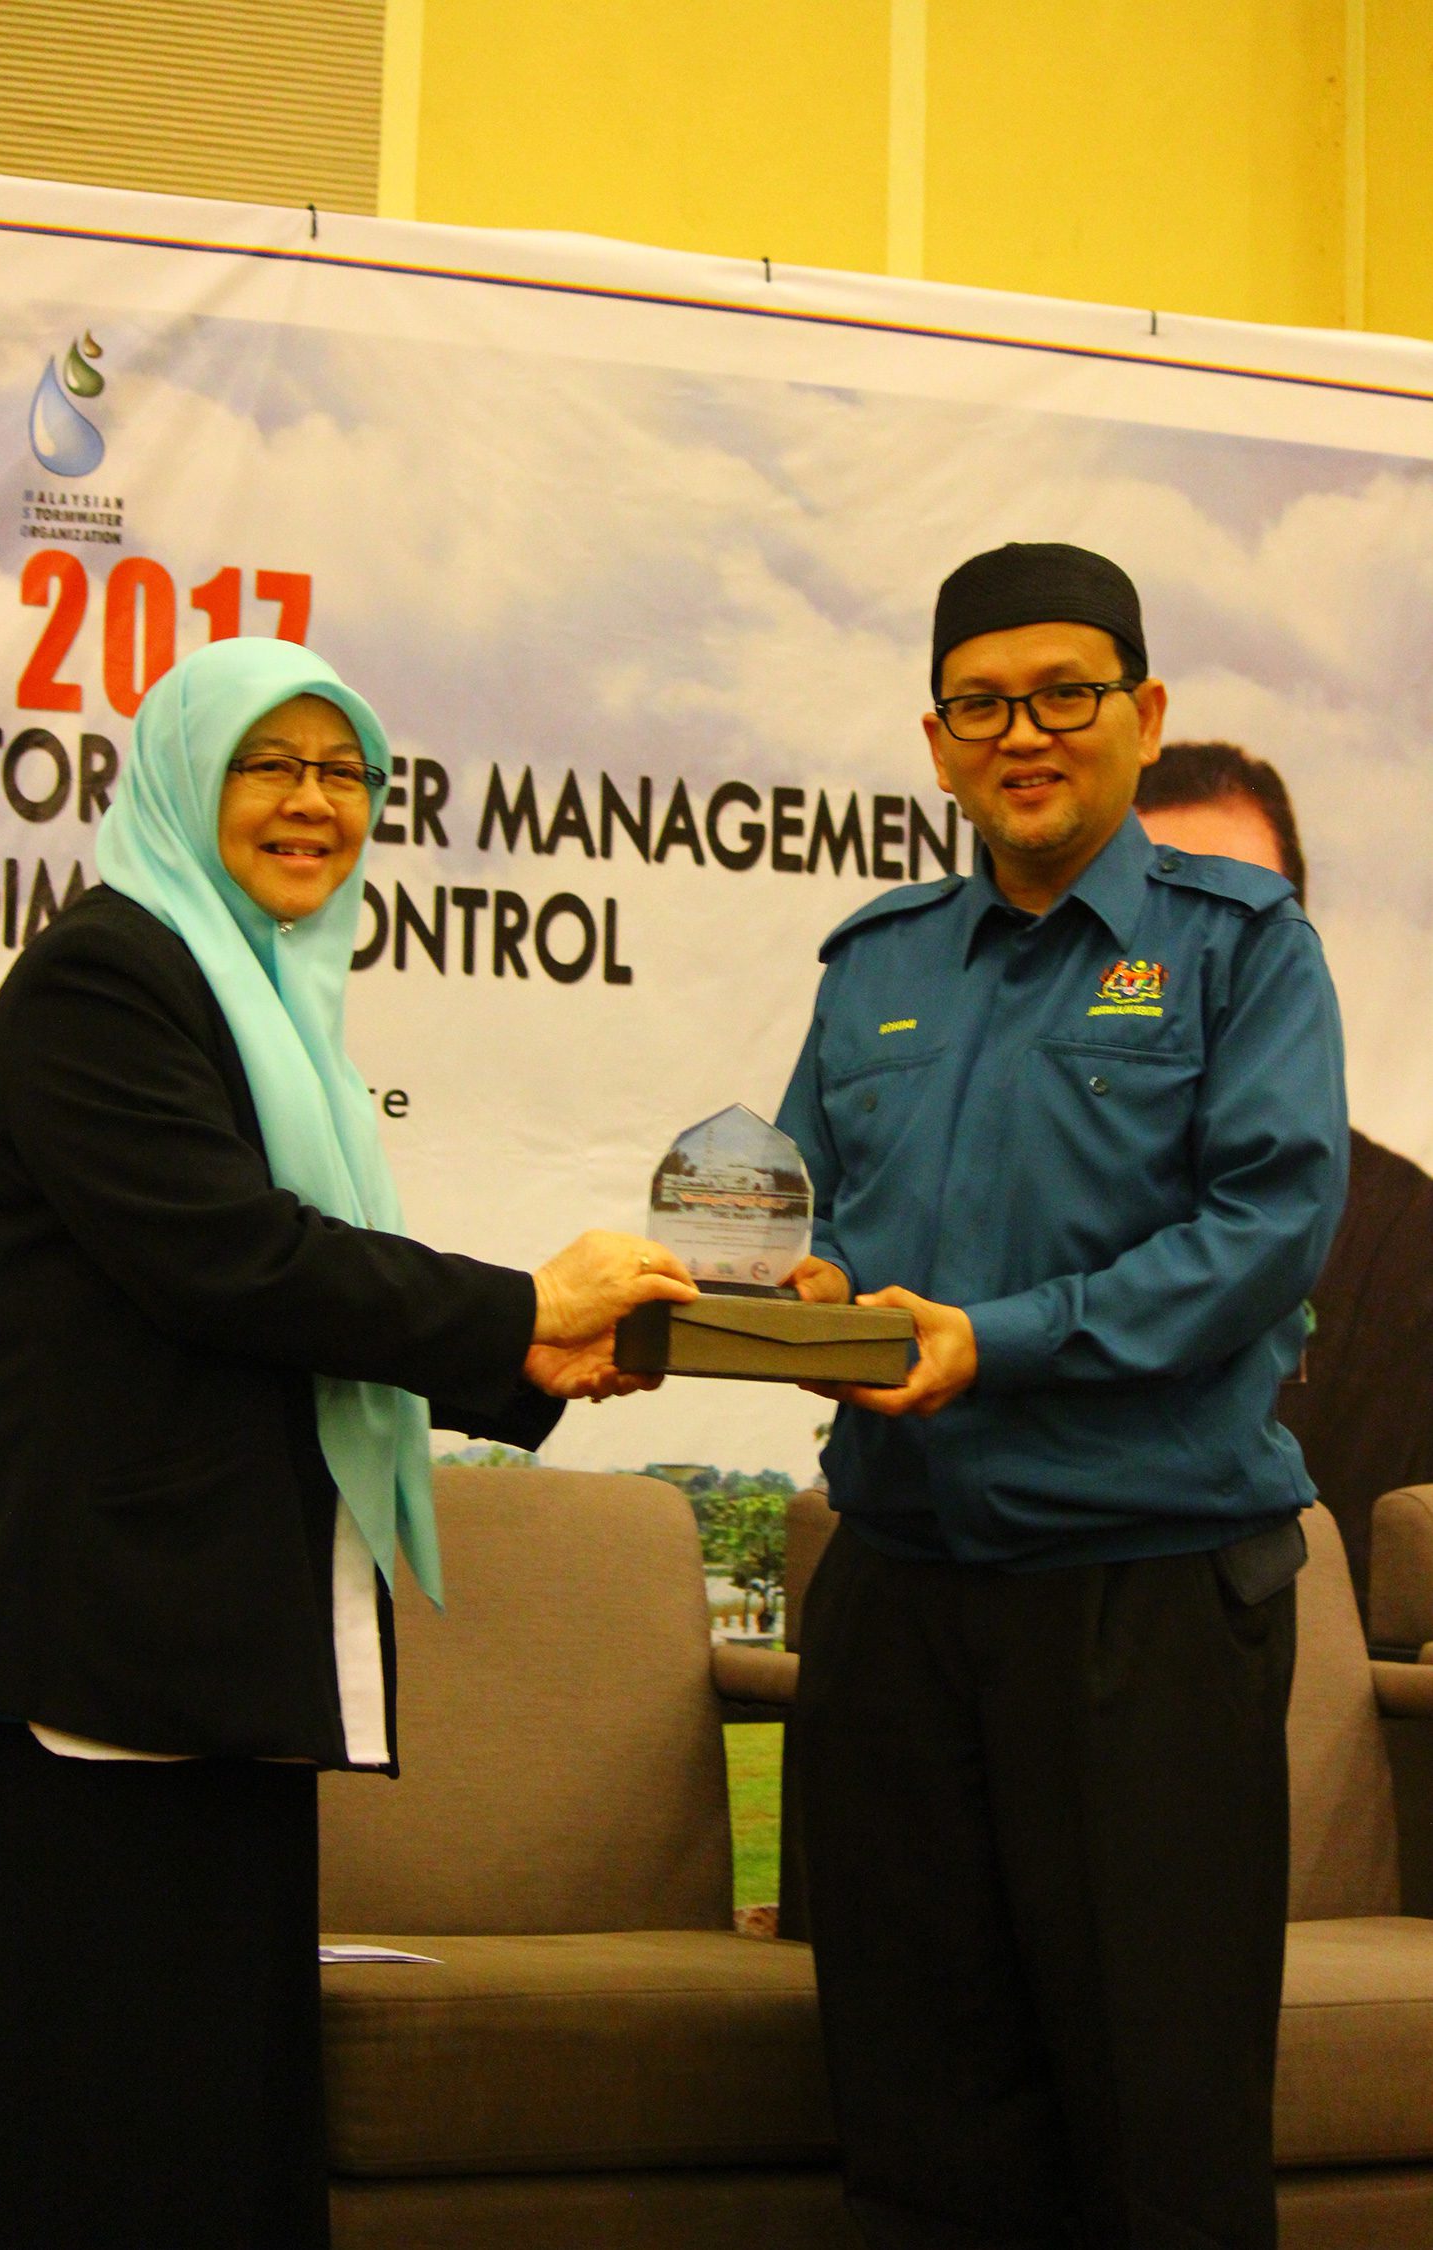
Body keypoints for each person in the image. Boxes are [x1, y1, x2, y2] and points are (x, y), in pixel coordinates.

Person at [0, 635, 695, 2250]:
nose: (313, 802)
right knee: (89, 2135)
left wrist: (530, 1353)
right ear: (181, 780)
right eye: (267, 765)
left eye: (344, 771)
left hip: (200, 1655)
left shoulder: (261, 998)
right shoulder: (107, 975)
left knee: (212, 2122)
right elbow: (232, 1259)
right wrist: (521, 1311)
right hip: (90, 1662)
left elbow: (279, 1298)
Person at [775, 543, 1348, 2249]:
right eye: (980, 705)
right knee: (916, 2122)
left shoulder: (1243, 949)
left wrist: (998, 1340)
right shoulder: (874, 963)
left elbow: (1263, 1230)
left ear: (1142, 715)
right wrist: (788, 1292)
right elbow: (805, 1215)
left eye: (1063, 695)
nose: (1022, 734)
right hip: (898, 1599)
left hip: (1143, 1605)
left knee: (1159, 2131)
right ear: (937, 743)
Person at [1135, 739, 1433, 1614]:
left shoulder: (1405, 1236)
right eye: (1153, 912)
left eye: (1237, 913)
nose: (1196, 953)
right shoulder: (1005, 1200)